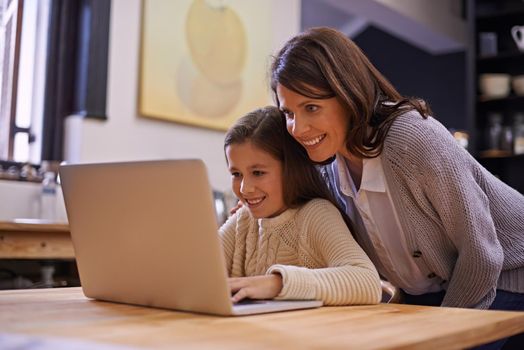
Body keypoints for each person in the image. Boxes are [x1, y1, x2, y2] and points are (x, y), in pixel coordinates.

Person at [270, 27, 524, 347]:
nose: (297, 127)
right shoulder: (332, 170)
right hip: (440, 294)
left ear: (349, 94)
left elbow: (482, 253)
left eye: (311, 108)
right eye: (288, 113)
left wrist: (443, 335)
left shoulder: (412, 138)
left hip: (510, 277)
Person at [220, 105, 382, 305]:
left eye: (258, 173)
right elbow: (194, 270)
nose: (245, 189)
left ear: (291, 169)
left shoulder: (316, 214)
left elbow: (367, 282)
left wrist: (277, 283)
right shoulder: (243, 220)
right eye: (236, 174)